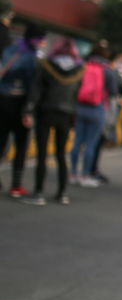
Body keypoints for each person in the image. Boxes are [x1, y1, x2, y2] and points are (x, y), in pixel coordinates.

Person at [21, 37, 84, 205]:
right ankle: (62, 193)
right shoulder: (79, 70)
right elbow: (77, 94)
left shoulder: (46, 66)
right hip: (66, 115)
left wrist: (28, 110)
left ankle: (39, 193)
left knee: (42, 154)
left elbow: (36, 91)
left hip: (45, 112)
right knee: (61, 155)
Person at [0, 23, 46, 197]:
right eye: (42, 40)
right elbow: (33, 87)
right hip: (20, 104)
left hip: (2, 100)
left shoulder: (9, 50)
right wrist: (29, 110)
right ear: (35, 39)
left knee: (1, 140)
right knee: (20, 144)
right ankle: (16, 185)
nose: (43, 44)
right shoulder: (31, 58)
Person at [69, 41, 118, 188]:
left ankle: (72, 174)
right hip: (97, 109)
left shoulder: (82, 66)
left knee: (77, 141)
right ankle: (85, 176)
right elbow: (113, 95)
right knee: (90, 144)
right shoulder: (108, 71)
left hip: (80, 107)